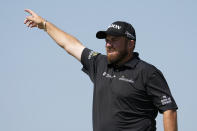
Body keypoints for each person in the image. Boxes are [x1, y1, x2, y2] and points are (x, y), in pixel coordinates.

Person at [24, 9, 178, 131]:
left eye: (115, 40)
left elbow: (168, 109)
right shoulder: (100, 63)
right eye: (107, 40)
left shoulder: (148, 72)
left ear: (130, 44)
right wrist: (44, 24)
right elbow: (71, 45)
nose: (108, 45)